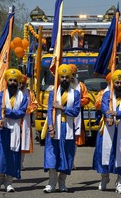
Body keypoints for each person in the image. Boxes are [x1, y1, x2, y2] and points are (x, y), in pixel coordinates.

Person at [93, 70, 121, 194]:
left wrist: (117, 114)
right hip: (107, 128)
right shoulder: (107, 95)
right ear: (112, 83)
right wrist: (108, 115)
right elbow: (104, 107)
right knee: (104, 153)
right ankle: (104, 178)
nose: (119, 85)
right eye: (116, 83)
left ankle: (120, 182)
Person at [0, 68, 28, 192]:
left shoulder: (23, 97)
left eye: (15, 80)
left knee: (12, 156)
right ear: (6, 81)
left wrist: (8, 111)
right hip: (2, 129)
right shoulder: (1, 94)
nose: (12, 82)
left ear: (19, 82)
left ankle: (9, 182)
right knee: (0, 154)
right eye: (10, 80)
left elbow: (21, 113)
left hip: (14, 129)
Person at [43, 64, 80, 193]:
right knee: (52, 155)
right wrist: (50, 126)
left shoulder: (75, 94)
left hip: (68, 129)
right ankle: (51, 183)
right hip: (55, 127)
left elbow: (75, 111)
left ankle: (62, 182)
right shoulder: (53, 93)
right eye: (62, 77)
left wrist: (62, 108)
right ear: (58, 78)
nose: (64, 79)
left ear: (70, 78)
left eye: (66, 77)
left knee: (67, 156)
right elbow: (49, 110)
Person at [68, 64, 90, 169]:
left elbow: (86, 98)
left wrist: (76, 103)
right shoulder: (60, 85)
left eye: (73, 74)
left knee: (74, 141)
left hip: (76, 116)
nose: (71, 77)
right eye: (69, 74)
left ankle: (71, 161)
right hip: (63, 116)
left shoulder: (81, 86)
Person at [19, 74, 38, 170]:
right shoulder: (12, 92)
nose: (21, 85)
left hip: (25, 121)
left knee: (23, 142)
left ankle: (21, 163)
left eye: (23, 83)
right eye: (20, 83)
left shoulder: (30, 93)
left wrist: (25, 110)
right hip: (14, 121)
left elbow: (34, 105)